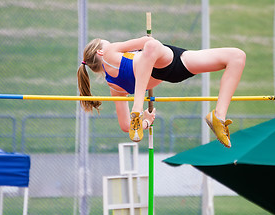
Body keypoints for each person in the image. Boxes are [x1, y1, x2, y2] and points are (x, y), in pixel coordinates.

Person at [77, 36, 246, 148]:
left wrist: (146, 122)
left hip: (169, 64)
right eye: (107, 43)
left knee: (236, 57)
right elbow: (146, 40)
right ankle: (137, 107)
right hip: (168, 63)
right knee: (151, 45)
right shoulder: (109, 52)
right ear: (101, 51)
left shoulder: (114, 87)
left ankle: (218, 117)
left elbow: (125, 126)